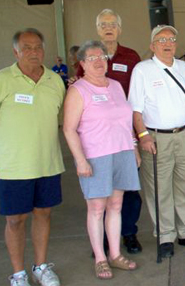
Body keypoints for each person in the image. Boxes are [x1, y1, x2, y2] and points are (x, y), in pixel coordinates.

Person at [0, 29, 64, 286]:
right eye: (26, 47)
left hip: (48, 163)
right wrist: (3, 150)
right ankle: (19, 274)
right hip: (13, 168)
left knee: (43, 213)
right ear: (15, 52)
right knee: (15, 220)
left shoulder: (55, 81)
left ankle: (40, 266)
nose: (33, 52)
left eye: (38, 47)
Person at [128, 25, 185, 258]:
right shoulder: (143, 70)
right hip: (155, 137)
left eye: (171, 39)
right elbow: (135, 109)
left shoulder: (183, 67)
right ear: (152, 46)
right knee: (159, 189)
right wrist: (142, 136)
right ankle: (165, 236)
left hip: (184, 134)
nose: (167, 43)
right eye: (161, 40)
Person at [63, 40, 140, 279]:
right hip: (96, 156)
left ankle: (115, 254)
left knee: (116, 205)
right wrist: (81, 160)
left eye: (102, 57)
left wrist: (134, 148)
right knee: (96, 208)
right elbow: (68, 129)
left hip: (123, 152)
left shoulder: (116, 86)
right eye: (92, 58)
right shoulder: (79, 90)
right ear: (82, 63)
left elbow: (126, 122)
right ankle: (100, 258)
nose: (99, 62)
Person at [73, 9, 143, 254]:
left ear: (120, 29)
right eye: (103, 24)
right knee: (100, 197)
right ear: (98, 29)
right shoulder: (87, 56)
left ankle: (129, 233)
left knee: (128, 192)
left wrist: (137, 138)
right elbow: (79, 91)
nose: (108, 28)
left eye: (113, 24)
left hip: (125, 136)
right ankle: (101, 242)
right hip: (98, 139)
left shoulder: (132, 57)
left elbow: (138, 93)